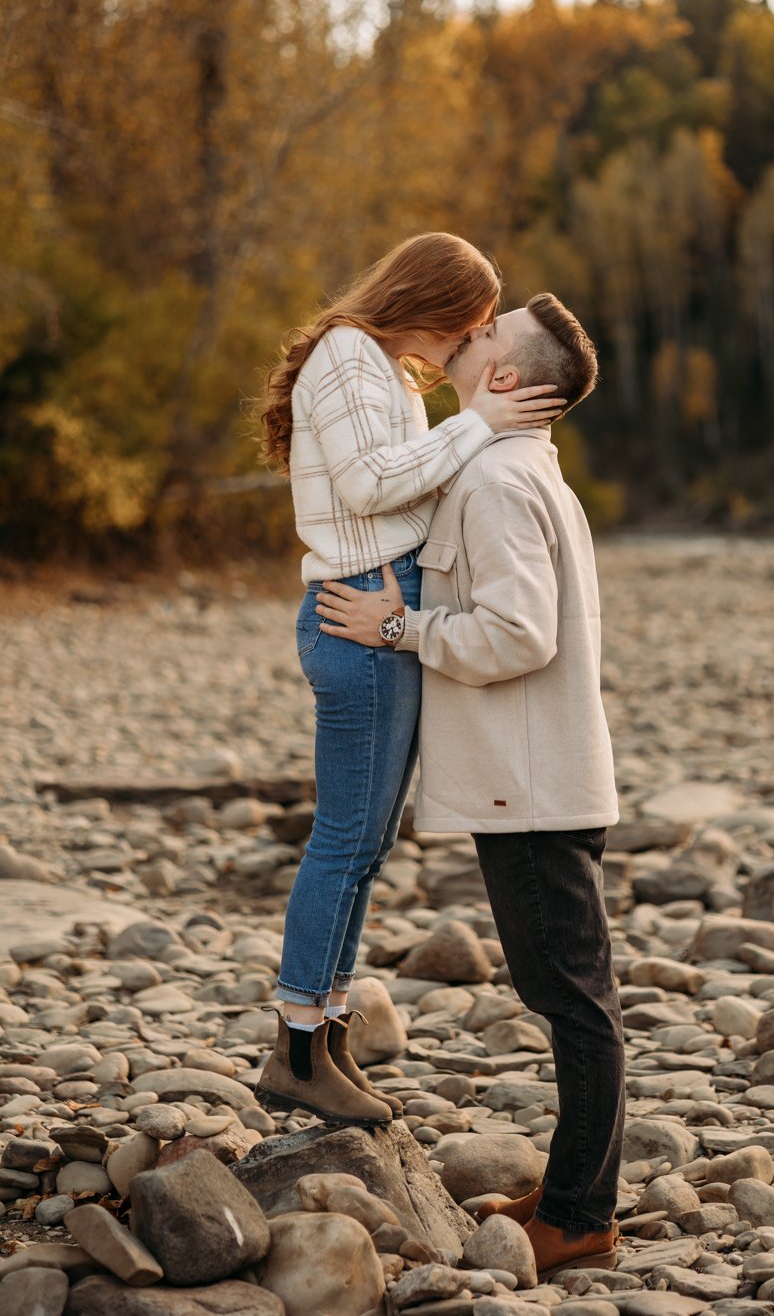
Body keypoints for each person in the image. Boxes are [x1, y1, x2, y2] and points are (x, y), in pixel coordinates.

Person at [317, 293, 624, 1276]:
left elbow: (518, 634)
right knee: (571, 995)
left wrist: (396, 630)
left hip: (529, 788)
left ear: (503, 378)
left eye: (486, 332)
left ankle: (579, 1217)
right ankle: (576, 1192)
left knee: (571, 1001)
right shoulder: (512, 467)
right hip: (539, 781)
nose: (468, 328)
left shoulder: (496, 478)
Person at [253, 236, 565, 1126]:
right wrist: (481, 426)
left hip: (379, 612)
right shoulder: (350, 356)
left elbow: (405, 488)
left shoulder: (382, 368)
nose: (470, 342)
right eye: (467, 323)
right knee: (346, 841)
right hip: (357, 614)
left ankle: (328, 1031)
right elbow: (365, 485)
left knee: (368, 844)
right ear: (425, 299)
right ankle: (297, 1045)